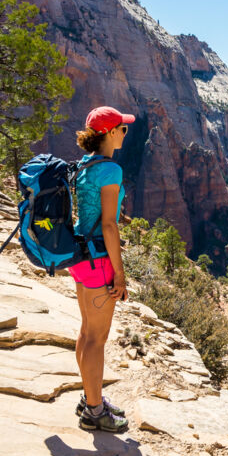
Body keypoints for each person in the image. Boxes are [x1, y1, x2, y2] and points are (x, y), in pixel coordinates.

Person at [69, 106, 134, 433]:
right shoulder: (110, 170)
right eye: (122, 128)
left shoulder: (85, 164)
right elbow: (109, 225)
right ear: (109, 133)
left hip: (79, 256)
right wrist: (120, 276)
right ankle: (94, 411)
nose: (125, 132)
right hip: (98, 259)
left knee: (87, 331)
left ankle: (89, 396)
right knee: (97, 337)